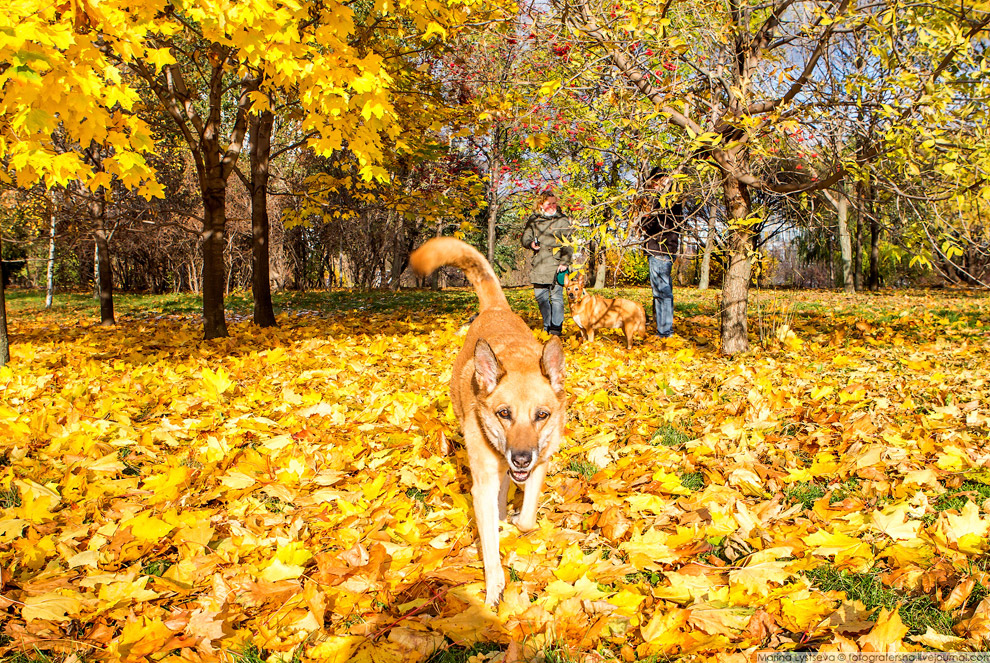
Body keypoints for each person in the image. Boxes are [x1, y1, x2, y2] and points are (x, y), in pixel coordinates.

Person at [637, 169, 683, 338]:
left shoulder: (665, 201)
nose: (655, 185)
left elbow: (654, 225)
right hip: (665, 249)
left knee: (661, 292)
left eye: (657, 181)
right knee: (663, 291)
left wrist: (643, 219)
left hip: (659, 250)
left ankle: (665, 331)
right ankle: (664, 329)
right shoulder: (671, 200)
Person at [521, 191, 573, 335]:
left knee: (557, 298)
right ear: (541, 204)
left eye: (554, 203)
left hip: (557, 264)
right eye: (548, 203)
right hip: (539, 264)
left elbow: (568, 243)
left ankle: (556, 329)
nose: (552, 206)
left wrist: (565, 262)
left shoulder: (562, 221)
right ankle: (547, 325)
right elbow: (525, 238)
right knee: (541, 297)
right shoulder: (534, 220)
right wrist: (531, 244)